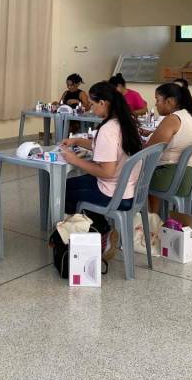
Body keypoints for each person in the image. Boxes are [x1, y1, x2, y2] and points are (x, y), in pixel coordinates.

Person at [60, 81, 143, 259]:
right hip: (128, 187)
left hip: (114, 192)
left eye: (92, 104)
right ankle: (95, 227)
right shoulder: (125, 121)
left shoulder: (107, 129)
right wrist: (76, 141)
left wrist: (75, 160)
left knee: (63, 192)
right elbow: (104, 146)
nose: (90, 108)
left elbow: (107, 172)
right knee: (69, 184)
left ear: (103, 103)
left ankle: (99, 230)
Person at [145, 82, 192, 197]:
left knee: (130, 175)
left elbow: (149, 151)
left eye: (157, 100)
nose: (156, 104)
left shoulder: (173, 119)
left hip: (173, 178)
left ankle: (146, 209)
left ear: (170, 101)